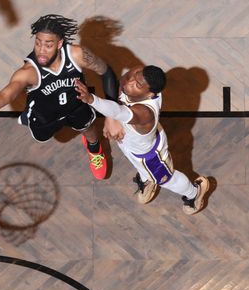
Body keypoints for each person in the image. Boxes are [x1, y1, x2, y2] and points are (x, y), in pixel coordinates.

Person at [0, 14, 118, 179]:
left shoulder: (77, 55)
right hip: (45, 114)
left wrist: (113, 115)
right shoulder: (28, 72)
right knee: (44, 136)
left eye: (48, 45)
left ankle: (94, 148)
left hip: (76, 104)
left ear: (60, 43)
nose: (41, 50)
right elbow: (6, 95)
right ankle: (29, 114)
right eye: (38, 43)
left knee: (89, 128)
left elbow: (106, 72)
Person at [73, 65, 210, 214]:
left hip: (149, 156)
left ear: (150, 94)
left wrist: (91, 99)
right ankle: (147, 178)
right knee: (138, 164)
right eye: (134, 75)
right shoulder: (139, 75)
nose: (130, 82)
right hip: (131, 142)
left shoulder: (145, 113)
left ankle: (194, 193)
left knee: (167, 180)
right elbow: (121, 82)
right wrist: (111, 119)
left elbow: (118, 111)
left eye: (137, 85)